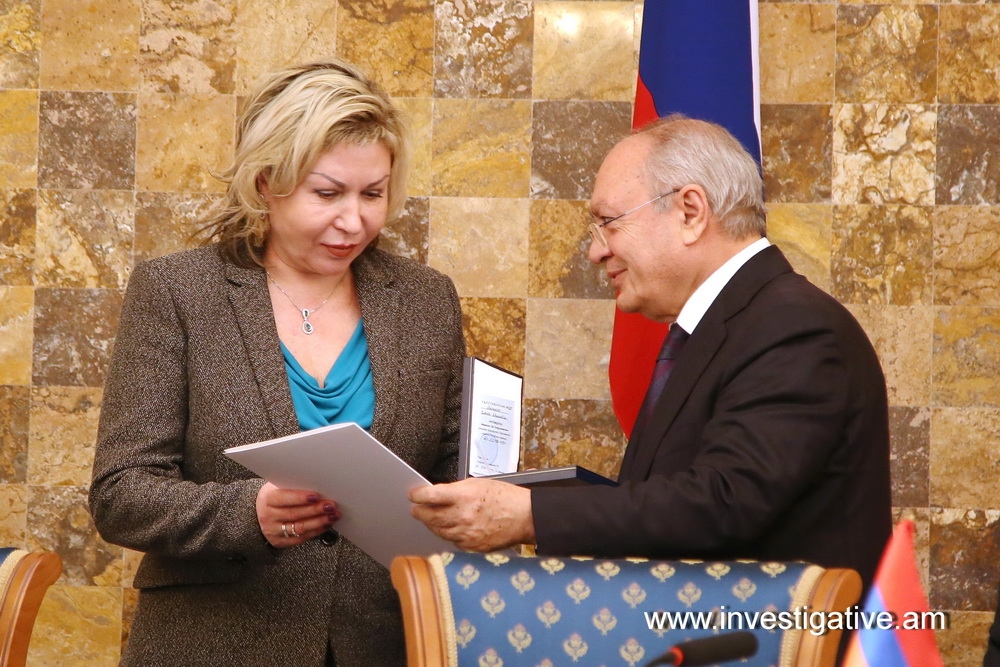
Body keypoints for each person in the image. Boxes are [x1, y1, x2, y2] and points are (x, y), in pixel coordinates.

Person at [410, 114, 892, 590]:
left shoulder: (794, 326)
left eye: (608, 223)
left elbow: (725, 502)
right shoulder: (725, 327)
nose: (596, 251)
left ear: (690, 212)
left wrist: (529, 514)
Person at [89, 60, 465, 666]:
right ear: (266, 182)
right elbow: (120, 494)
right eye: (327, 193)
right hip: (212, 645)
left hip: (384, 644)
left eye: (373, 194)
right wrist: (247, 514)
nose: (354, 220)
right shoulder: (177, 291)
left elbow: (456, 477)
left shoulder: (426, 299)